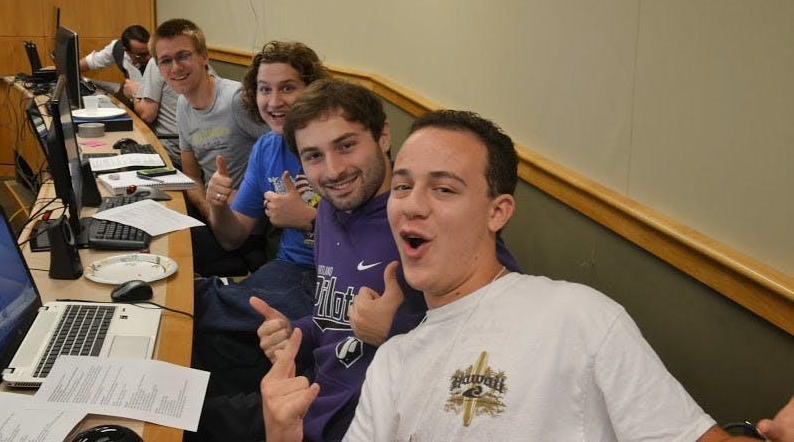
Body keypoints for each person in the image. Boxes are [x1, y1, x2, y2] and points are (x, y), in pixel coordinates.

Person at [262, 108, 788, 442]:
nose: (411, 208)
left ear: (498, 212)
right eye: (402, 187)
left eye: (443, 189)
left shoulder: (577, 317)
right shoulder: (393, 362)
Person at [253, 84, 520, 442]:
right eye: (313, 156)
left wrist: (394, 331)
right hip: (314, 398)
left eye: (346, 145)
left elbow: (502, 357)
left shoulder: (430, 229)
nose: (333, 171)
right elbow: (333, 320)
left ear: (383, 137)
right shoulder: (330, 209)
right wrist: (294, 332)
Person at [190, 42, 332, 439]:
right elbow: (233, 238)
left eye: (288, 88)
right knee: (196, 305)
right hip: (284, 271)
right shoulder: (267, 149)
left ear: (313, 90)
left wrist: (308, 221)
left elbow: (368, 243)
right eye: (265, 89)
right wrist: (217, 204)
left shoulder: (334, 150)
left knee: (209, 310)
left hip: (325, 284)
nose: (274, 101)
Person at [150, 18, 268, 273]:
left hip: (244, 224)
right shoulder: (183, 104)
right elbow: (191, 174)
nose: (176, 67)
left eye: (184, 56)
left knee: (168, 256)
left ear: (204, 57)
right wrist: (209, 208)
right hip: (214, 212)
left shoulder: (236, 100)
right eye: (166, 61)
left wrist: (252, 190)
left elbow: (281, 152)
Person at [79, 24, 150, 100]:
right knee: (88, 82)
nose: (149, 57)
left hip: (146, 99)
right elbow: (89, 62)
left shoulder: (157, 62)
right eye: (141, 55)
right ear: (126, 50)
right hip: (129, 92)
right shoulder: (117, 48)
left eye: (150, 51)